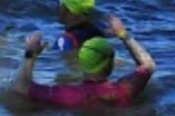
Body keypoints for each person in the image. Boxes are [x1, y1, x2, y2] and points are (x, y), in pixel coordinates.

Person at [16, 15, 154, 109]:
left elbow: (20, 87)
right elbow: (148, 65)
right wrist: (123, 34)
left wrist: (30, 54)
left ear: (81, 63)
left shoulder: (64, 94)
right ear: (110, 64)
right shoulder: (124, 90)